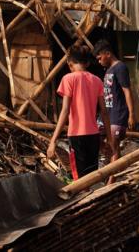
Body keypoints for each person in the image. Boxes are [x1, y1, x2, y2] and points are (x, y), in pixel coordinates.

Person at [47, 45, 114, 180]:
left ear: (69, 63)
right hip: (94, 136)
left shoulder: (68, 79)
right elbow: (105, 112)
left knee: (80, 179)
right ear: (87, 63)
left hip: (77, 136)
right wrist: (110, 139)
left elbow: (65, 110)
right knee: (91, 176)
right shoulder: (97, 80)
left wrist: (53, 141)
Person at [93, 40, 134, 160]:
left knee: (114, 145)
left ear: (108, 54)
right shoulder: (109, 70)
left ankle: (112, 177)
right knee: (96, 138)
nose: (99, 62)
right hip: (106, 114)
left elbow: (127, 91)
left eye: (100, 58)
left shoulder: (120, 67)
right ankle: (111, 167)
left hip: (118, 114)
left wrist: (131, 114)